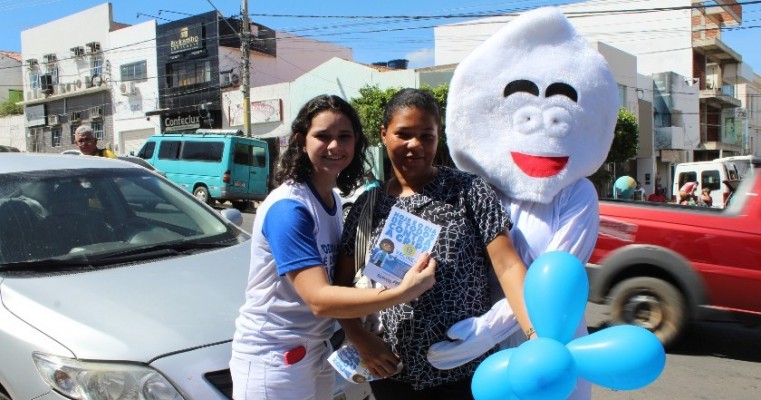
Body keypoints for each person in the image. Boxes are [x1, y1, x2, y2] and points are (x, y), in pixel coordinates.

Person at [229, 94, 437, 400]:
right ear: (301, 140)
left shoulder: (332, 199)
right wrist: (403, 292)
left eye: (344, 137)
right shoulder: (289, 208)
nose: (335, 147)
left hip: (316, 350)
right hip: (273, 357)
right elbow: (319, 299)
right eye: (322, 136)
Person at [336, 89, 534, 399]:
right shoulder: (367, 206)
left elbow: (507, 264)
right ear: (384, 134)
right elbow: (340, 286)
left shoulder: (469, 191)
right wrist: (359, 337)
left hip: (464, 369)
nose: (415, 145)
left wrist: (535, 334)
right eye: (404, 134)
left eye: (426, 136)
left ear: (438, 137)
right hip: (391, 372)